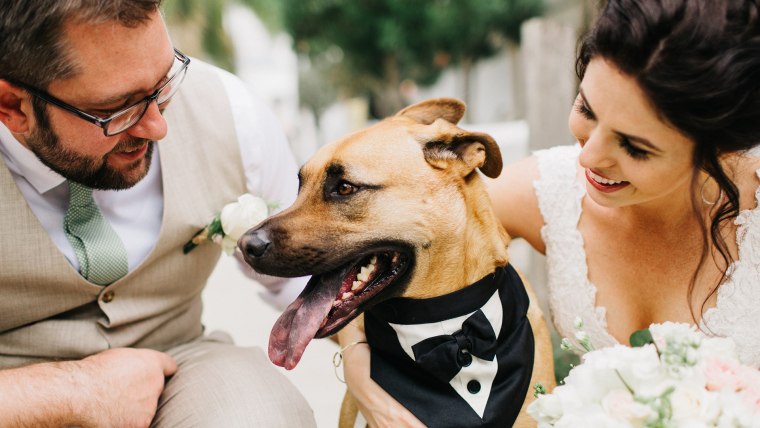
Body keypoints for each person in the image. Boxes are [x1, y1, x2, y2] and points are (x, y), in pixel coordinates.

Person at [337, 0, 760, 425]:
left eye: (634, 147)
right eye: (586, 110)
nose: (589, 156)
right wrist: (358, 362)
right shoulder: (549, 191)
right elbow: (363, 244)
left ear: (720, 147)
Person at [0, 1, 315, 426]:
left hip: (182, 364)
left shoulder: (231, 112)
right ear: (12, 107)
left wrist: (363, 353)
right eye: (117, 108)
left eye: (165, 82)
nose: (157, 128)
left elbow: (307, 276)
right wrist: (71, 392)